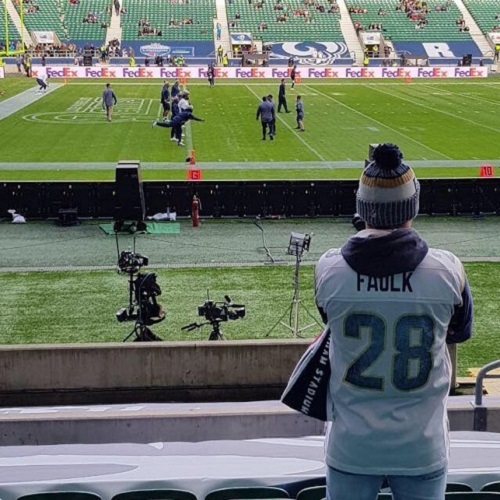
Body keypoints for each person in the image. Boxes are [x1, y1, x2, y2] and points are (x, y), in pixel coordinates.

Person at [314, 143, 473, 500]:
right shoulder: (447, 271)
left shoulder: (329, 270)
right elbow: (460, 331)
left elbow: (329, 320)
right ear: (412, 206)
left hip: (351, 443)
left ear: (362, 207)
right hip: (422, 444)